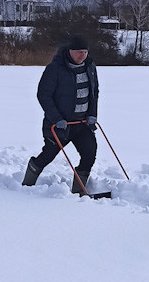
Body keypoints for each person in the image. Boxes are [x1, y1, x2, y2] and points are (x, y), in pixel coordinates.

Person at [22, 34, 99, 194]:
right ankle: (26, 185)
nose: (82, 55)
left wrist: (92, 114)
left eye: (85, 52)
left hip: (82, 124)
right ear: (70, 51)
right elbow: (43, 95)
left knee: (89, 154)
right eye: (79, 52)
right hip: (59, 124)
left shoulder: (90, 67)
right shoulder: (55, 68)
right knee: (47, 156)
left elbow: (94, 93)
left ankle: (78, 192)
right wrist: (57, 119)